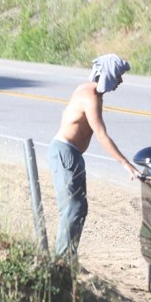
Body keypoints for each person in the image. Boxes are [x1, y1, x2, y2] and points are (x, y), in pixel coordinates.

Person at [48, 53, 140, 258]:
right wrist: (125, 163)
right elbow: (100, 134)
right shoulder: (90, 96)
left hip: (72, 154)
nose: (120, 81)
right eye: (118, 76)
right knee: (72, 209)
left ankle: (68, 259)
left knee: (79, 208)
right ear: (108, 75)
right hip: (65, 153)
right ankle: (61, 263)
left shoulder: (89, 91)